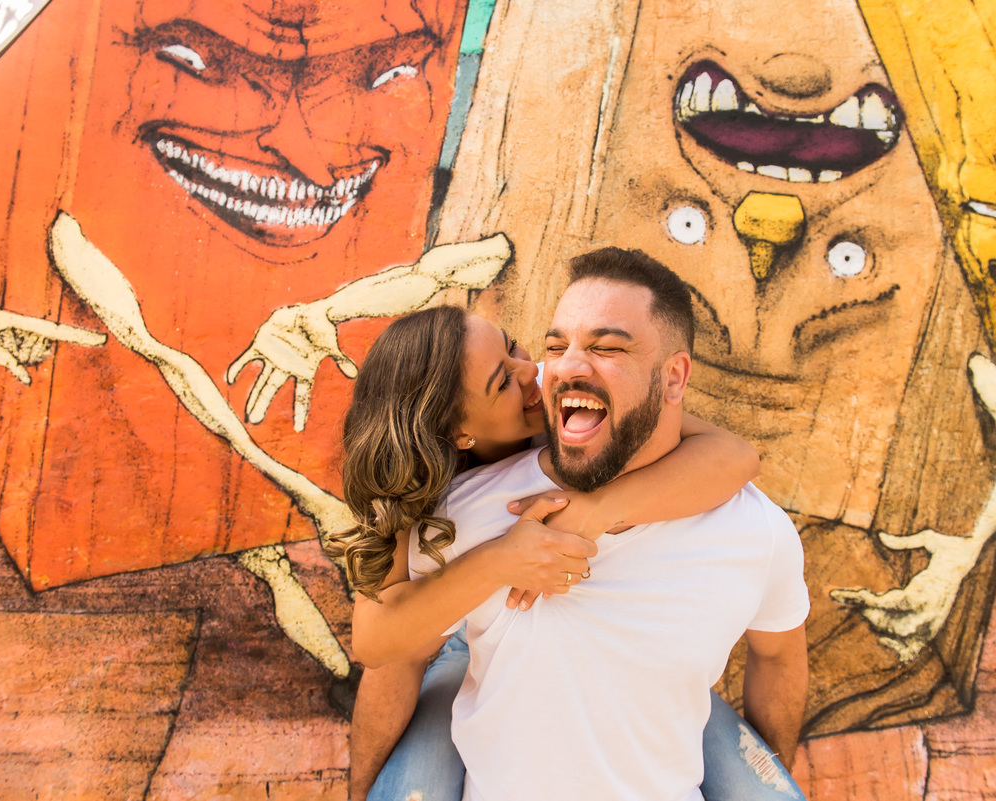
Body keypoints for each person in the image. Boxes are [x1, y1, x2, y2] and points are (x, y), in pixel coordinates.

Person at [333, 248, 809, 799]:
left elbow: (730, 455)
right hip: (456, 629)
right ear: (459, 431)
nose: (539, 374)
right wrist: (497, 561)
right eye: (504, 382)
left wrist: (600, 510)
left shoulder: (556, 383)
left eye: (521, 348)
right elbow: (383, 648)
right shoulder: (438, 510)